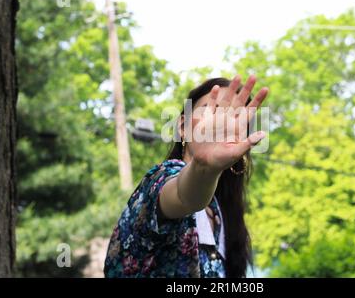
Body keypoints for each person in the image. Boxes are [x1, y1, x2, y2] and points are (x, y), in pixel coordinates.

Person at [104, 75, 269, 278]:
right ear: (182, 127)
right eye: (212, 110)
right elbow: (184, 195)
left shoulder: (223, 213)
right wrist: (203, 168)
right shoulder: (160, 180)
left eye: (235, 118)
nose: (221, 123)